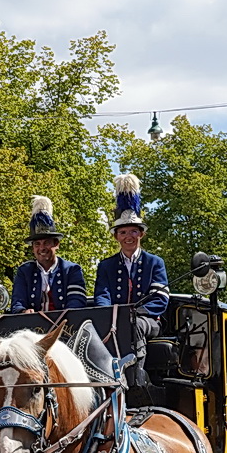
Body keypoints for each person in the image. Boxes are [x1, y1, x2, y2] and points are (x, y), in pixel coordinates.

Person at [92, 174, 169, 409]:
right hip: (116, 321)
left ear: (141, 234)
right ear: (116, 236)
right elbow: (102, 295)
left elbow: (161, 299)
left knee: (133, 325)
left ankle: (135, 377)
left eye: (133, 232)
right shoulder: (106, 265)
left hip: (148, 322)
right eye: (123, 232)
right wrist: (110, 314)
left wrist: (135, 313)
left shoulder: (155, 262)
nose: (129, 237)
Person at [8, 196, 87, 313]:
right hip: (31, 327)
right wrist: (23, 311)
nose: (42, 248)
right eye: (37, 244)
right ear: (32, 248)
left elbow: (77, 302)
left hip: (64, 325)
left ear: (56, 244)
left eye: (46, 243)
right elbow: (17, 302)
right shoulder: (24, 271)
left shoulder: (72, 270)